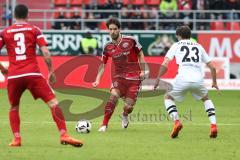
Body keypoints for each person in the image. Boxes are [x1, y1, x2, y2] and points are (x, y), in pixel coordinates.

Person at [0, 4, 83, 147]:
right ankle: (64, 134)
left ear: (14, 16)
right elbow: (45, 52)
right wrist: (51, 70)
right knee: (53, 103)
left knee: (14, 107)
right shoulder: (34, 30)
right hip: (33, 73)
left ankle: (17, 139)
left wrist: (3, 68)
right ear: (28, 15)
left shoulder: (5, 32)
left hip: (14, 76)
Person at [153, 25, 219, 138]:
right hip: (198, 79)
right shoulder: (199, 46)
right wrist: (214, 82)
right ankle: (213, 125)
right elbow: (213, 68)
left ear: (178, 36)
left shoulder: (176, 45)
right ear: (190, 35)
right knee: (206, 98)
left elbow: (165, 63)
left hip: (182, 78)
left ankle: (177, 122)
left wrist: (158, 78)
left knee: (168, 98)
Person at [92, 18, 146, 132]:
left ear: (119, 29)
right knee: (113, 97)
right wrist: (97, 79)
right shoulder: (107, 47)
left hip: (134, 78)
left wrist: (143, 70)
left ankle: (125, 114)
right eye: (110, 29)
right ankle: (104, 125)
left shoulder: (131, 40)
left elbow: (140, 54)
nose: (112, 32)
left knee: (129, 106)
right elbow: (103, 64)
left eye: (115, 29)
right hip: (118, 77)